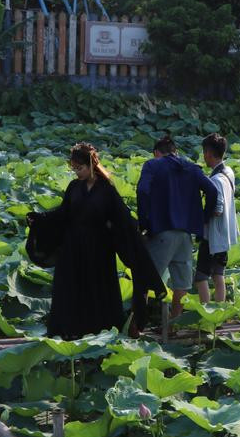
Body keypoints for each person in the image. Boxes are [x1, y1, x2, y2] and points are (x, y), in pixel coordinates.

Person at [27, 143, 163, 339]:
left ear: (91, 164)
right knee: (71, 288)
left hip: (98, 248)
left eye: (79, 168)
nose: (77, 172)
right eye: (74, 168)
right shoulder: (74, 187)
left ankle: (98, 332)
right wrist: (40, 219)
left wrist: (135, 229)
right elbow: (63, 213)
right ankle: (69, 331)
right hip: (73, 247)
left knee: (97, 289)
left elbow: (122, 217)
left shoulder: (106, 189)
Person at [136, 135, 218, 316]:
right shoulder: (191, 168)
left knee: (144, 279)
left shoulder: (152, 165)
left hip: (162, 232)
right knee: (182, 284)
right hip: (186, 235)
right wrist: (203, 218)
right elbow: (212, 190)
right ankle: (174, 324)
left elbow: (142, 190)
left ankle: (137, 325)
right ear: (176, 151)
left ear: (157, 153)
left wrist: (144, 223)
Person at [195, 133, 238, 303]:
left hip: (212, 236)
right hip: (225, 234)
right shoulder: (229, 172)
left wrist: (200, 217)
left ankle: (207, 314)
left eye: (204, 152)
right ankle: (219, 315)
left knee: (200, 277)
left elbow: (217, 209)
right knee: (218, 275)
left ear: (208, 153)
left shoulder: (216, 180)